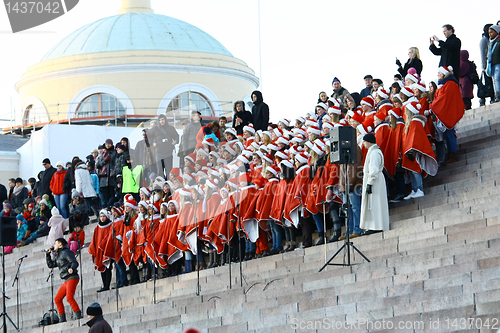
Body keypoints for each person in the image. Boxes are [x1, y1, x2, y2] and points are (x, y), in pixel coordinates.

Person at [430, 66, 465, 165]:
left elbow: (444, 99)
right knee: (447, 135)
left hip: (449, 113)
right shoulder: (446, 84)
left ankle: (452, 154)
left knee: (450, 135)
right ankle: (450, 154)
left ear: (444, 73)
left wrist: (434, 105)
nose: (438, 74)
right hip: (445, 112)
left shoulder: (450, 84)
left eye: (439, 73)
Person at [45, 238, 83, 322]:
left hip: (72, 277)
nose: (54, 245)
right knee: (57, 298)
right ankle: (62, 319)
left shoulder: (67, 252)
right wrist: (48, 255)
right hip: (66, 279)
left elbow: (74, 262)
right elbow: (51, 264)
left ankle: (78, 315)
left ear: (60, 244)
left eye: (55, 243)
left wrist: (72, 268)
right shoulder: (58, 255)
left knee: (69, 297)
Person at [360, 133, 389, 234]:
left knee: (375, 203)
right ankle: (373, 225)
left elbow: (374, 168)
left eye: (364, 141)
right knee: (372, 203)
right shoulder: (372, 151)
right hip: (373, 180)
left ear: (368, 142)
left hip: (375, 181)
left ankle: (376, 226)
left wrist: (370, 182)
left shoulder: (375, 152)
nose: (363, 144)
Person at [152, 114, 179, 178]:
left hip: (168, 151)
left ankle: (168, 184)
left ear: (165, 120)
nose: (161, 121)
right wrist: (153, 143)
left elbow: (176, 136)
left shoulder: (170, 128)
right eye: (160, 120)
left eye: (163, 119)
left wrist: (175, 142)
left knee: (169, 170)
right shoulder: (155, 129)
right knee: (159, 170)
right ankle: (161, 184)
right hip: (159, 152)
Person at [480, 24, 495, 106]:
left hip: (491, 64)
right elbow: (483, 54)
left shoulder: (490, 40)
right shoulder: (484, 40)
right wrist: (484, 67)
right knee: (488, 83)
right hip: (487, 66)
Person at [487, 25, 500, 103]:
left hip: (498, 63)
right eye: (489, 33)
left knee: (497, 79)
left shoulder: (499, 41)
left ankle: (498, 95)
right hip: (491, 64)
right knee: (494, 80)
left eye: (491, 32)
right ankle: (496, 94)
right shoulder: (489, 43)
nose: (490, 34)